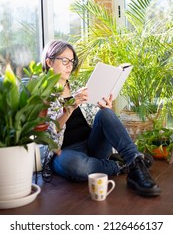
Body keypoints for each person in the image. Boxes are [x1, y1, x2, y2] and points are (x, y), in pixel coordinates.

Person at [41, 39, 161, 197]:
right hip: (64, 152)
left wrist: (105, 106)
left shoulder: (79, 86)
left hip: (92, 144)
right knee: (76, 167)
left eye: (71, 61)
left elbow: (97, 118)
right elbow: (48, 133)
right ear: (49, 62)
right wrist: (70, 106)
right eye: (64, 61)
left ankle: (135, 162)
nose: (70, 65)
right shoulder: (41, 93)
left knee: (106, 113)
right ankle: (122, 165)